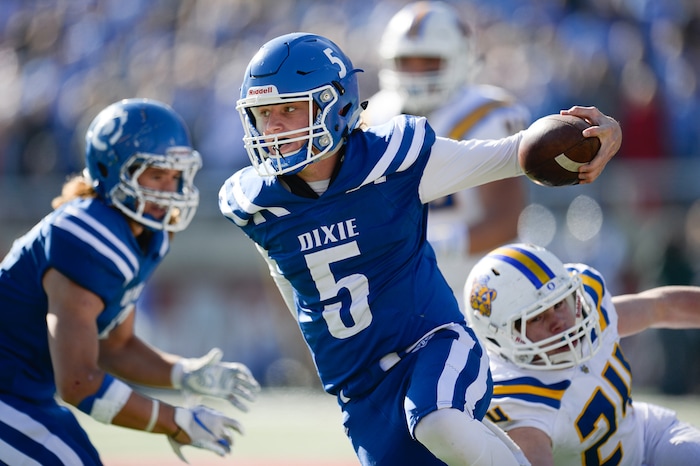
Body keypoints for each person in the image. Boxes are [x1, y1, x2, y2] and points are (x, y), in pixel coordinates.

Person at [218, 32, 620, 466]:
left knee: (437, 421)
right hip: (359, 386)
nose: (273, 126)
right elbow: (289, 278)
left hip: (432, 342)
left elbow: (513, 153)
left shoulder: (396, 159)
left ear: (334, 105)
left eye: (290, 109)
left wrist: (602, 134)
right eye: (264, 114)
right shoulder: (251, 202)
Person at [0, 98, 260, 465]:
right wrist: (175, 420)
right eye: (156, 175)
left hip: (23, 392)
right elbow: (78, 383)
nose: (170, 191)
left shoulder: (143, 233)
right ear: (112, 170)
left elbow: (114, 347)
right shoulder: (87, 235)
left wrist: (184, 374)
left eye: (176, 176)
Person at [464, 242, 700, 465]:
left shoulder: (587, 312)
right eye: (537, 317)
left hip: (647, 437)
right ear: (501, 337)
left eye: (558, 304)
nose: (559, 321)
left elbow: (662, 307)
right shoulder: (517, 400)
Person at [363, 1, 531, 302]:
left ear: (459, 59)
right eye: (406, 61)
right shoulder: (374, 116)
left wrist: (431, 245)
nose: (416, 73)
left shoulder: (487, 114)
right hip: (405, 288)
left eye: (428, 61)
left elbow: (505, 220)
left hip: (486, 285)